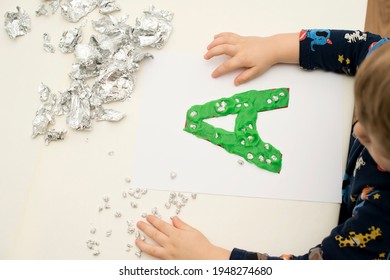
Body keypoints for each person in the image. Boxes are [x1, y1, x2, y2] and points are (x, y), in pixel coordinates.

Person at [135, 30, 390, 260]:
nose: (357, 130)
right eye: (363, 115)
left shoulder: (381, 219)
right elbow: (359, 48)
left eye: (371, 136)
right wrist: (277, 47)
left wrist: (209, 257)